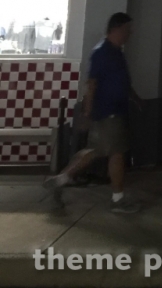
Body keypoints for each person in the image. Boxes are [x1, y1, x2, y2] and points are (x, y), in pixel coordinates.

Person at [44, 12, 142, 213]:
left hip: (113, 111)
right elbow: (92, 84)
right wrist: (87, 113)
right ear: (117, 29)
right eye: (128, 29)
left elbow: (123, 82)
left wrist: (136, 99)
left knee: (95, 151)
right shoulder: (102, 52)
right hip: (108, 112)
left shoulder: (117, 52)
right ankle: (117, 200)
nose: (130, 33)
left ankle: (61, 179)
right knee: (116, 153)